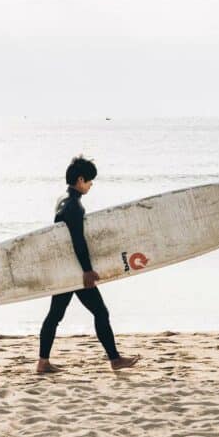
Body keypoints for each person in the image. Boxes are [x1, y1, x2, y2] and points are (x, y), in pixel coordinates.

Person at [37, 155, 139, 375]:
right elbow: (77, 240)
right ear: (80, 179)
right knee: (100, 312)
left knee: (55, 315)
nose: (91, 185)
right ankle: (115, 359)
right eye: (90, 181)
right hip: (75, 271)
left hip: (64, 268)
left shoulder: (62, 200)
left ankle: (43, 363)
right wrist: (86, 271)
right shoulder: (74, 206)